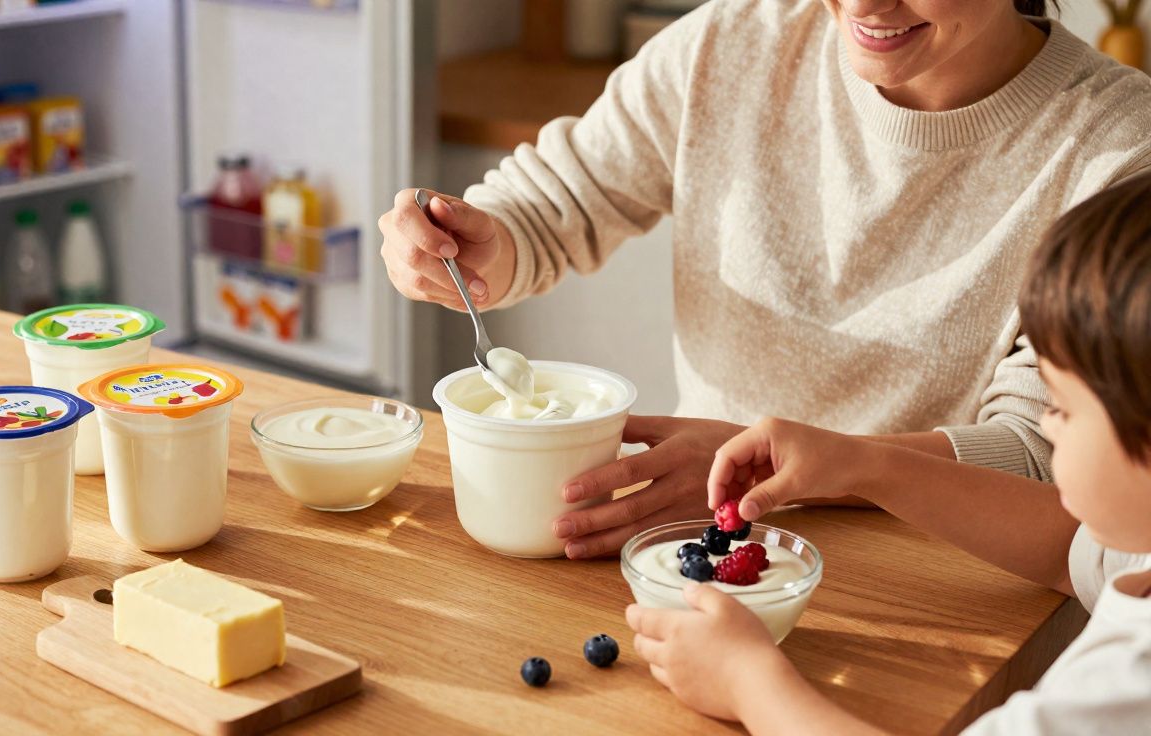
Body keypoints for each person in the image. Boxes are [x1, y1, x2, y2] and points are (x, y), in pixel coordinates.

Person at [379, 0, 1151, 559]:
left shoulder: (1120, 151)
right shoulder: (731, 42)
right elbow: (555, 205)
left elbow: (1039, 461)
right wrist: (471, 245)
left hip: (939, 572)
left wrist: (785, 473)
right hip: (693, 547)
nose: (866, 4)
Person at [626, 174, 1151, 733]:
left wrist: (751, 685)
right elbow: (1065, 547)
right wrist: (859, 464)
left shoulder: (1129, 681)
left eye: (1065, 407)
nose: (1047, 421)